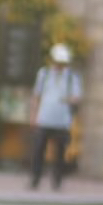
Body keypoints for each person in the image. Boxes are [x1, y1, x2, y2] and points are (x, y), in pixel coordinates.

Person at [28, 42, 82, 189]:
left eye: (62, 63)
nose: (60, 66)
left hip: (62, 121)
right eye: (58, 62)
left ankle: (57, 180)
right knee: (38, 150)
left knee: (60, 153)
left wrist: (68, 99)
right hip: (44, 118)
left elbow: (77, 97)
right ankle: (35, 179)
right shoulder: (44, 74)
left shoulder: (72, 77)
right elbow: (36, 96)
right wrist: (33, 115)